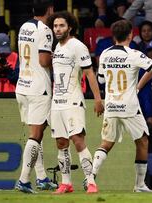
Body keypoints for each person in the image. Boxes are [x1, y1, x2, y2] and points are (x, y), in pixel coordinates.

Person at [85, 19, 152, 193]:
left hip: (111, 105)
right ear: (130, 35)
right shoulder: (133, 54)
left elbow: (101, 80)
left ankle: (90, 179)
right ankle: (139, 185)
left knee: (106, 143)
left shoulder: (105, 54)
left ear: (113, 36)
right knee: (142, 141)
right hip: (129, 106)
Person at [47, 11, 104, 194]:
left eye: (61, 25)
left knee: (78, 140)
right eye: (55, 26)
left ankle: (90, 182)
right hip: (57, 103)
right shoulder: (57, 47)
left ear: (70, 27)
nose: (58, 29)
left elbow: (89, 73)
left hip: (73, 101)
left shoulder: (77, 46)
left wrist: (97, 99)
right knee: (61, 142)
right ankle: (66, 183)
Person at [15, 0, 57, 193]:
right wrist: (57, 56)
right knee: (36, 135)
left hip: (22, 85)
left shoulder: (24, 26)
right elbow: (43, 60)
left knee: (35, 135)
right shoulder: (45, 30)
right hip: (38, 88)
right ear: (49, 10)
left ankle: (41, 178)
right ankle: (24, 180)